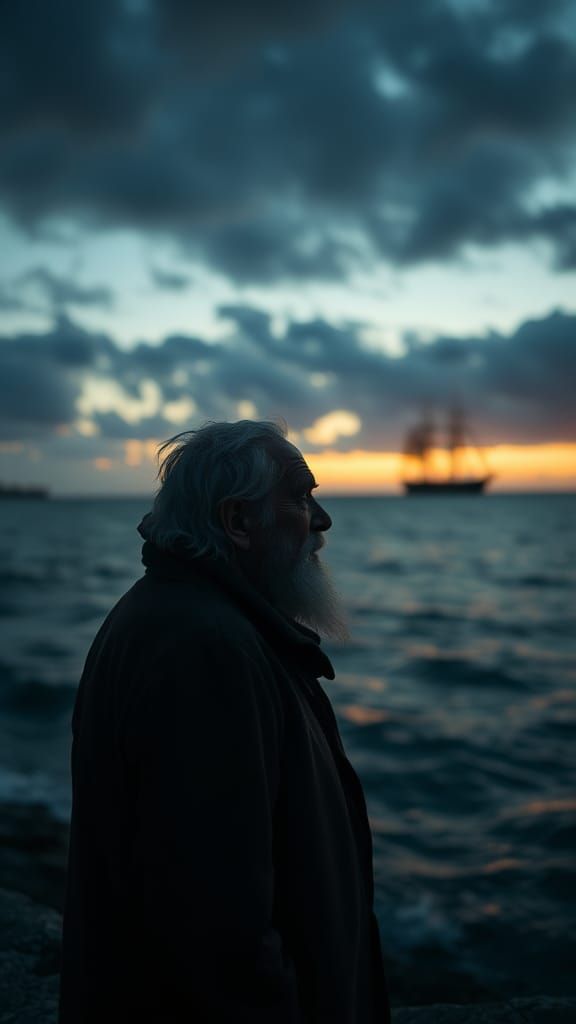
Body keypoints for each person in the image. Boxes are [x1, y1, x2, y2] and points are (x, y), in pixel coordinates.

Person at [59, 419, 391, 1024]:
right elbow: (217, 926)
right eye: (300, 496)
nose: (322, 521)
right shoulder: (205, 649)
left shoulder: (194, 621)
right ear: (238, 522)